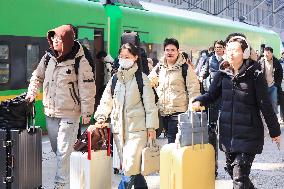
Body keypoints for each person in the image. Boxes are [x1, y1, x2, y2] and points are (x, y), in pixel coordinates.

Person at [192, 36, 281, 189]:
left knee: (239, 179)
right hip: (228, 135)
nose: (231, 53)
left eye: (236, 50)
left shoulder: (255, 74)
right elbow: (212, 95)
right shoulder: (222, 74)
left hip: (249, 133)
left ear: (245, 53)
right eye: (229, 50)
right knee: (233, 171)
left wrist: (275, 131)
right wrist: (199, 100)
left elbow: (265, 104)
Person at [26, 25, 96, 189]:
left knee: (63, 152)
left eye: (58, 39)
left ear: (67, 40)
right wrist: (32, 93)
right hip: (50, 112)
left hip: (70, 113)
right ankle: (69, 176)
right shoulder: (47, 58)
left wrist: (87, 111)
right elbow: (37, 76)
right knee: (57, 150)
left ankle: (60, 185)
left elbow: (87, 87)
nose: (55, 41)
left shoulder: (80, 60)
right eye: (53, 38)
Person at [91, 43, 158, 189]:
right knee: (134, 169)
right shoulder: (115, 79)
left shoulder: (142, 79)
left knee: (128, 167)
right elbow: (106, 100)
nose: (123, 59)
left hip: (138, 131)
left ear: (135, 58)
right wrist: (101, 116)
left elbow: (150, 106)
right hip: (118, 131)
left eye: (127, 57)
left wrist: (152, 128)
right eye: (121, 57)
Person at [148, 38, 200, 143]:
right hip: (163, 112)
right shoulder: (159, 67)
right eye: (167, 50)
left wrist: (192, 110)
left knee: (172, 141)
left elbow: (193, 90)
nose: (170, 52)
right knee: (173, 142)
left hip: (179, 113)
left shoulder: (185, 68)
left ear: (178, 51)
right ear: (164, 51)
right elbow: (148, 83)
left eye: (172, 50)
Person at [198, 40, 226, 177]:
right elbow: (202, 74)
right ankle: (213, 167)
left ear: (224, 48)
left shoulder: (228, 61)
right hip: (213, 97)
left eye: (220, 47)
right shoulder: (210, 60)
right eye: (216, 48)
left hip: (225, 97)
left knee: (225, 131)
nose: (218, 50)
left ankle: (228, 162)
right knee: (212, 131)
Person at [258, 47, 283, 114]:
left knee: (274, 102)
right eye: (265, 53)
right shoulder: (260, 61)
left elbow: (280, 74)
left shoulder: (276, 62)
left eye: (268, 53)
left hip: (272, 86)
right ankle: (264, 116)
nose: (266, 54)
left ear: (272, 53)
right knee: (263, 102)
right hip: (263, 86)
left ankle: (274, 116)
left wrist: (276, 84)